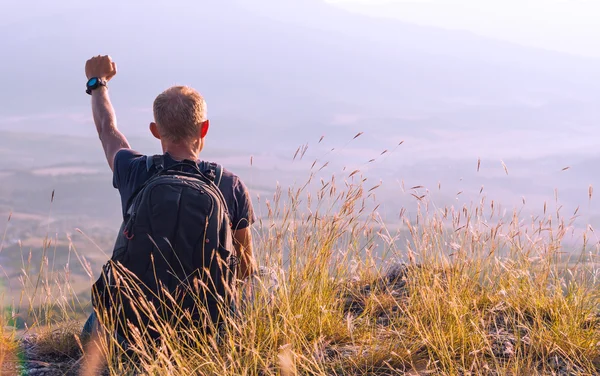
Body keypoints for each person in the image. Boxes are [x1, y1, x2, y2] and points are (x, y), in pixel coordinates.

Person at [81, 55, 256, 341]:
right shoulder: (230, 185)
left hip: (134, 328)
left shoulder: (135, 171)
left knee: (98, 317)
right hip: (207, 332)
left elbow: (107, 131)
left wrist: (97, 84)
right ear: (204, 128)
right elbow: (245, 269)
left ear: (155, 130)